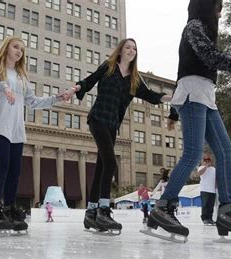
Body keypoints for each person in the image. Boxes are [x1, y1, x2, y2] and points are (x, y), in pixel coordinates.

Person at [146, 0, 231, 242]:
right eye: (217, 7)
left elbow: (188, 65)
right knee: (192, 153)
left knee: (226, 152)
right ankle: (163, 206)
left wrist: (172, 113)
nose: (219, 14)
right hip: (192, 94)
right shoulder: (194, 26)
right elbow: (209, 58)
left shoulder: (203, 29)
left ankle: (227, 211)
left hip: (206, 96)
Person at [63, 38, 174, 234]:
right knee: (111, 163)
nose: (131, 50)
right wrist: (74, 89)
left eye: (134, 48)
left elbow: (151, 96)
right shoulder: (109, 67)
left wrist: (171, 97)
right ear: (121, 51)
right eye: (128, 47)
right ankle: (104, 210)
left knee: (101, 168)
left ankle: (90, 213)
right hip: (98, 118)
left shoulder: (134, 79)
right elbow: (89, 80)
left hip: (113, 125)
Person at [0, 36, 69, 233]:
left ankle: (8, 209)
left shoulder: (21, 77)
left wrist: (56, 99)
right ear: (6, 47)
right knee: (2, 167)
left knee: (15, 173)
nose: (19, 51)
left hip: (16, 131)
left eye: (22, 49)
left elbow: (32, 101)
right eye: (16, 46)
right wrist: (1, 86)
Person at [198, 154, 216, 225]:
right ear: (204, 161)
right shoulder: (201, 167)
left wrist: (217, 187)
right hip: (204, 189)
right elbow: (199, 173)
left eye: (209, 160)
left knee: (211, 205)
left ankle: (210, 219)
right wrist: (206, 166)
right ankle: (204, 219)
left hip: (212, 190)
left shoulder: (214, 169)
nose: (207, 162)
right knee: (205, 205)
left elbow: (216, 178)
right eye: (206, 160)